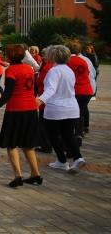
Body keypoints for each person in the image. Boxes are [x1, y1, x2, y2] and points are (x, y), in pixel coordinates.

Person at [0, 44, 41, 187]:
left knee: (11, 143)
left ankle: (17, 176)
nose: (4, 55)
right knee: (27, 144)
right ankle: (35, 173)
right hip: (31, 109)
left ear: (11, 55)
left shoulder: (11, 70)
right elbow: (35, 88)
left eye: (6, 53)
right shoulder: (29, 68)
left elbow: (8, 93)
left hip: (15, 110)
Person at [37, 45, 86, 174]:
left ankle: (62, 161)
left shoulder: (54, 71)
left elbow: (51, 89)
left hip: (56, 107)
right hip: (71, 107)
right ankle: (77, 157)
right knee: (68, 133)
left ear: (53, 56)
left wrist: (40, 100)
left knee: (53, 134)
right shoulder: (68, 70)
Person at [66, 40, 95, 144]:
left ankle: (72, 134)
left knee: (72, 113)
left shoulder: (68, 61)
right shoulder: (83, 60)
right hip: (87, 89)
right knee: (80, 112)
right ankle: (79, 133)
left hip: (76, 90)